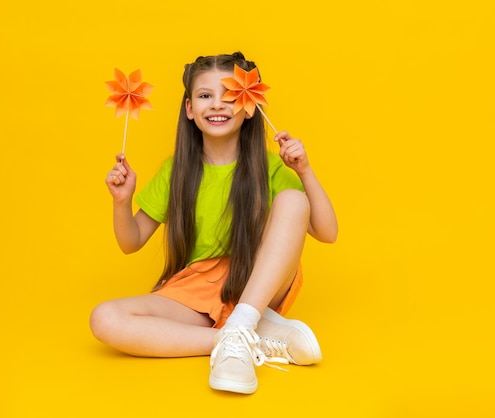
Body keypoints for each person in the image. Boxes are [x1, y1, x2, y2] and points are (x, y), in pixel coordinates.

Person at [90, 52, 338, 394]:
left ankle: (245, 320)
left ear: (249, 106)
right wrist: (122, 201)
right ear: (190, 108)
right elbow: (130, 242)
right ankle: (239, 336)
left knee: (294, 200)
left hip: (254, 281)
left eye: (230, 95)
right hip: (197, 289)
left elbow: (327, 232)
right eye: (205, 96)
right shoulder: (174, 171)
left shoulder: (270, 167)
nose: (217, 105)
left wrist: (305, 171)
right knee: (104, 318)